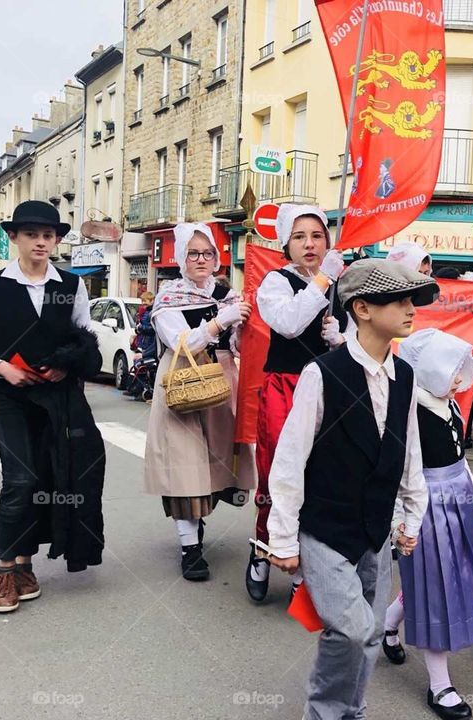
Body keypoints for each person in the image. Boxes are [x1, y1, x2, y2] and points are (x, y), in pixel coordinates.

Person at [265, 259, 434, 720]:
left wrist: (409, 516)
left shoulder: (406, 378)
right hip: (326, 528)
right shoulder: (324, 373)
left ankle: (351, 710)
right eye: (398, 300)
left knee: (374, 630)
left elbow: (408, 455)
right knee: (352, 629)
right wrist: (281, 537)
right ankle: (323, 712)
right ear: (361, 308)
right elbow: (290, 460)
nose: (410, 308)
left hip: (377, 527)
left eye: (412, 300)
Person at [0, 200, 105, 613]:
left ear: (56, 240)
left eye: (48, 235)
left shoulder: (72, 286)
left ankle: (25, 565)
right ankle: (6, 569)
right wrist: (2, 367)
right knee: (20, 479)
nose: (41, 242)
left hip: (57, 398)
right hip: (11, 397)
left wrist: (67, 365)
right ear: (14, 239)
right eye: (32, 235)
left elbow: (84, 337)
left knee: (49, 478)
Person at [381, 329, 473, 720]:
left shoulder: (450, 405)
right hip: (424, 504)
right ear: (427, 370)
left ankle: (387, 626)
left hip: (456, 500)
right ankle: (439, 684)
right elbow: (398, 473)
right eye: (451, 372)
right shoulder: (409, 411)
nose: (460, 381)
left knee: (443, 580)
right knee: (434, 588)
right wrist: (400, 522)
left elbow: (459, 456)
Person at [245, 205, 347, 602]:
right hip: (284, 389)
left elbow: (356, 340)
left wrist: (340, 337)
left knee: (320, 478)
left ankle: (303, 570)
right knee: (278, 475)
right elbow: (288, 323)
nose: (310, 244)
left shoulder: (337, 282)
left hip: (327, 389)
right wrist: (322, 281)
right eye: (300, 236)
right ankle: (262, 548)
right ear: (286, 242)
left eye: (317, 236)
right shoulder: (276, 281)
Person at [143, 223, 256, 581]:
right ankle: (190, 548)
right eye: (193, 253)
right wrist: (219, 323)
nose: (202, 259)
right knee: (185, 467)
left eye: (208, 253)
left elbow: (238, 348)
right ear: (180, 258)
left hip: (222, 386)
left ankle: (199, 519)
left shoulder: (226, 294)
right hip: (182, 385)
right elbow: (180, 344)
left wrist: (240, 328)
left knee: (214, 465)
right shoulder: (169, 296)